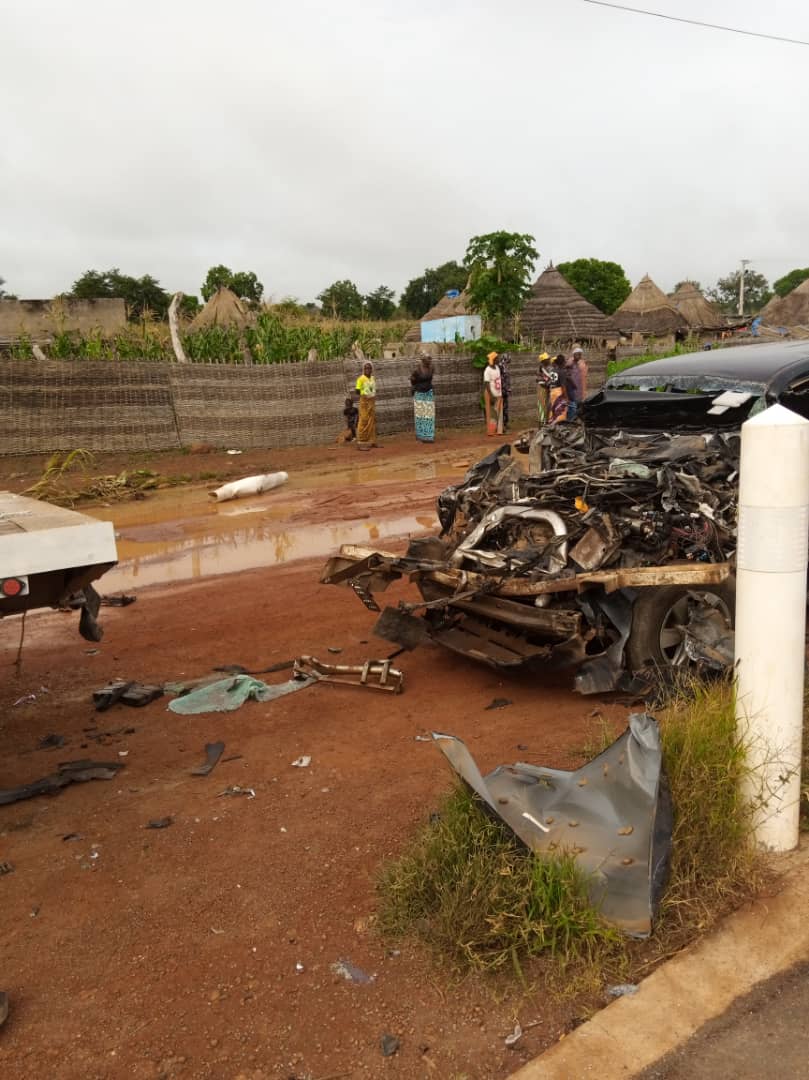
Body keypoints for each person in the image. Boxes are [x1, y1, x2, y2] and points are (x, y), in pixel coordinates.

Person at [410, 356, 435, 442]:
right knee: (420, 415)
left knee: (429, 415)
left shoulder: (432, 368)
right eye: (428, 359)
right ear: (423, 360)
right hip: (419, 393)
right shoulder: (417, 370)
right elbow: (412, 380)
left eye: (430, 359)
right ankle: (420, 437)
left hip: (429, 393)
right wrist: (417, 386)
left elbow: (430, 379)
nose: (430, 361)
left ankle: (429, 436)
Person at [355, 362, 377, 450]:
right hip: (364, 401)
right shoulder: (360, 379)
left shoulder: (373, 378)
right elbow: (357, 391)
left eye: (369, 368)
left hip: (372, 401)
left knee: (372, 420)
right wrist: (364, 394)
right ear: (363, 369)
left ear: (372, 369)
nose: (368, 370)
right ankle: (361, 442)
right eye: (366, 368)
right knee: (363, 420)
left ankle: (372, 441)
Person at [483, 351, 503, 435]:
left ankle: (499, 431)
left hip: (498, 393)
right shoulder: (487, 370)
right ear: (493, 359)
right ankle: (490, 431)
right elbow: (486, 383)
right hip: (490, 393)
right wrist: (491, 396)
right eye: (497, 358)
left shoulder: (497, 367)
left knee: (499, 413)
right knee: (491, 413)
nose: (498, 359)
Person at [565, 351, 583, 422]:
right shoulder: (570, 363)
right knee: (572, 406)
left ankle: (572, 419)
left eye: (580, 355)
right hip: (570, 390)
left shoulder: (578, 364)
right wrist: (574, 384)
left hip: (575, 390)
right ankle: (570, 420)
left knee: (574, 405)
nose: (580, 356)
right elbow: (568, 377)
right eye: (578, 355)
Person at [536, 352, 552, 424]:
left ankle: (548, 420)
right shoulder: (541, 369)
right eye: (547, 359)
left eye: (548, 359)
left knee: (549, 405)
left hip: (548, 388)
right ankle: (542, 421)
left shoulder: (549, 368)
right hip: (542, 388)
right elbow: (539, 380)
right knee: (542, 405)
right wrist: (546, 383)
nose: (549, 360)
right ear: (543, 361)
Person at [498, 352, 512, 432]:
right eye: (508, 359)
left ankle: (505, 423)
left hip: (505, 390)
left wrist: (508, 388)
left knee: (505, 407)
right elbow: (500, 379)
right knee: (502, 407)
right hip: (501, 390)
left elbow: (506, 379)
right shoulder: (500, 366)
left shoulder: (505, 366)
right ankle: (502, 425)